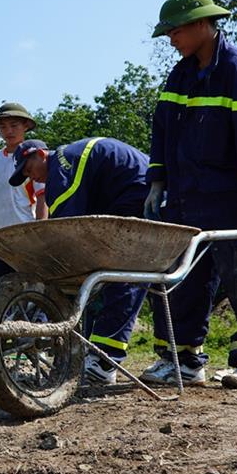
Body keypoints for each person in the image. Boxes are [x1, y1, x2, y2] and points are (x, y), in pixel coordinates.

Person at [144, 0, 237, 390]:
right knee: (178, 280)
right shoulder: (179, 75)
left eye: (175, 31)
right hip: (185, 197)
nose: (171, 39)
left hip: (230, 197)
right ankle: (181, 360)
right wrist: (157, 182)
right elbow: (163, 133)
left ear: (202, 23)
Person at [9, 137, 150, 385]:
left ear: (41, 154)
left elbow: (65, 227)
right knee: (121, 274)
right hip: (131, 187)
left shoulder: (61, 165)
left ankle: (104, 361)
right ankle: (174, 357)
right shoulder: (70, 163)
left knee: (123, 273)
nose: (33, 178)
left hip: (135, 188)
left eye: (30, 170)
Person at [0, 102, 47, 289]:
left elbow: (42, 196)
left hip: (24, 232)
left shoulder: (33, 157)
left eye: (14, 125)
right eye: (3, 127)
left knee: (29, 287)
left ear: (26, 126)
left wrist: (42, 230)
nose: (8, 131)